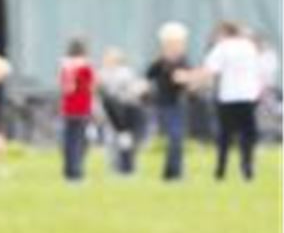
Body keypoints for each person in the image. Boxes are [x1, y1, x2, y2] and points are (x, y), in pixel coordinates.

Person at [177, 21, 263, 181]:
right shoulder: (249, 47)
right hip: (249, 96)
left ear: (223, 32)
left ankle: (220, 170)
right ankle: (247, 168)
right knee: (247, 135)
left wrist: (187, 79)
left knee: (225, 135)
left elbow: (208, 71)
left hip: (229, 97)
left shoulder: (223, 48)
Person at [145, 22, 193, 181]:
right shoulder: (161, 62)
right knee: (174, 136)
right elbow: (148, 75)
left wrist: (185, 79)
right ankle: (172, 172)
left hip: (178, 103)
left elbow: (188, 80)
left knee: (177, 138)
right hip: (164, 104)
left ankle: (173, 172)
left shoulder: (182, 60)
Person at [98, 47, 147, 176]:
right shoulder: (102, 74)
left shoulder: (125, 73)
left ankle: (128, 167)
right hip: (110, 114)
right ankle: (115, 167)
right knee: (111, 141)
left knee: (126, 141)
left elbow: (135, 91)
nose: (109, 61)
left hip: (125, 114)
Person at [58, 37, 96, 181]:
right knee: (80, 141)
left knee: (69, 141)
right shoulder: (85, 67)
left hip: (68, 108)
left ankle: (68, 171)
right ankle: (77, 171)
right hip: (82, 107)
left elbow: (64, 87)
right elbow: (90, 87)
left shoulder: (65, 67)